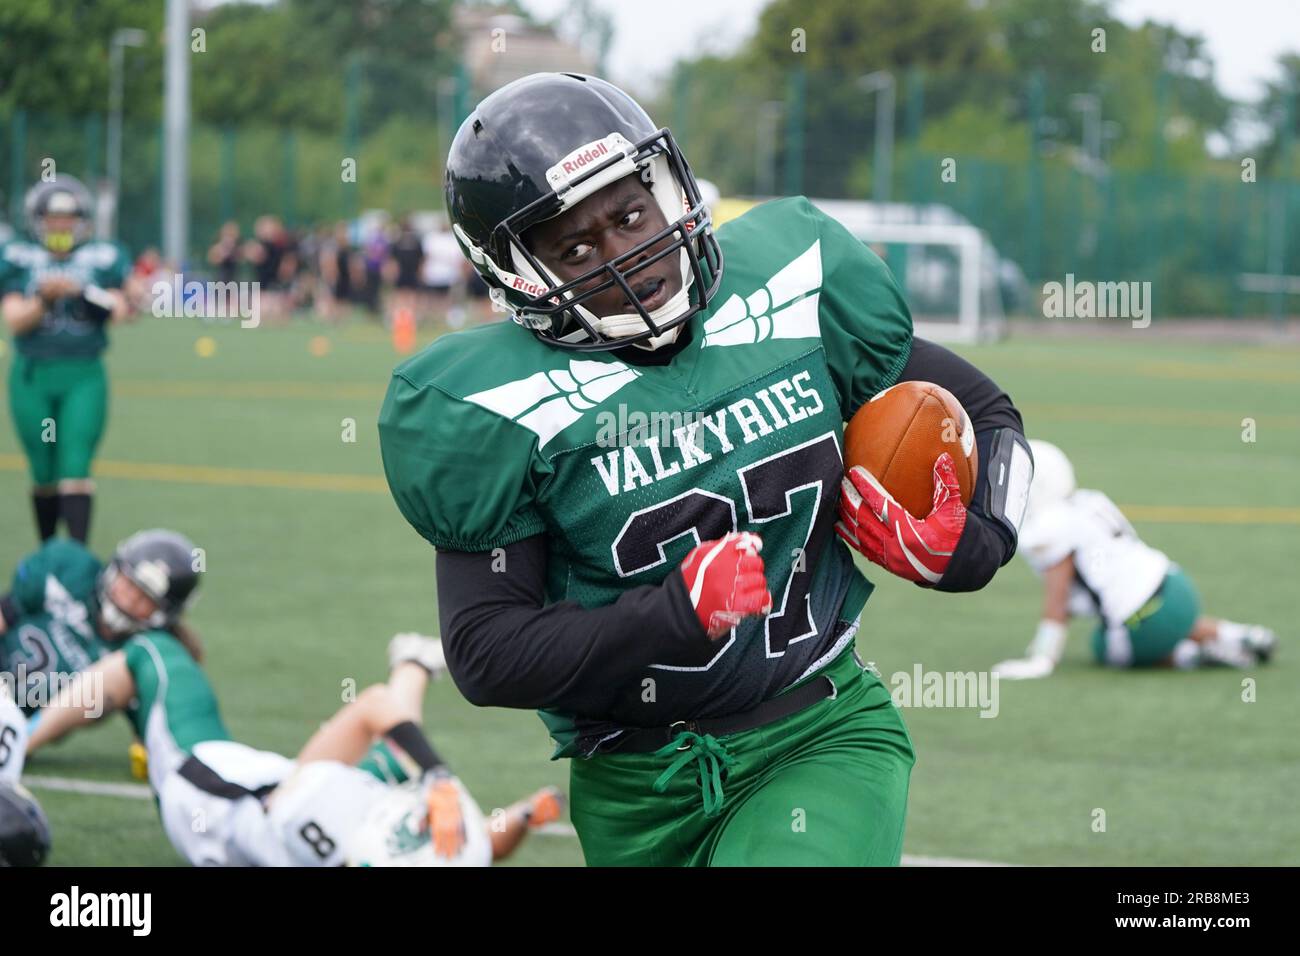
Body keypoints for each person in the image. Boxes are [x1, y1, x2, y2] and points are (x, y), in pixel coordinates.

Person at [378, 73, 1033, 866]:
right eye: (577, 247)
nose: (628, 254)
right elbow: (486, 651)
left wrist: (976, 542)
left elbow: (989, 415)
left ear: (668, 189)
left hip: (817, 732)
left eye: (629, 215)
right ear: (517, 271)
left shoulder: (789, 291)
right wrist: (672, 615)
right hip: (631, 787)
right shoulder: (496, 404)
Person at [17, 629, 563, 867]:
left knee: (153, 651)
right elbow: (478, 849)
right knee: (397, 754)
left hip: (203, 788)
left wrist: (439, 778)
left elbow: (373, 706)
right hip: (270, 807)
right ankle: (415, 660)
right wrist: (521, 817)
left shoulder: (316, 821)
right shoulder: (377, 844)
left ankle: (18, 746)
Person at [992, 440, 1277, 678]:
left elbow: (1058, 600)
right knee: (1155, 617)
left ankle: (1189, 655)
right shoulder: (1089, 499)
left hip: (1142, 616)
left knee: (1106, 646)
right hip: (1176, 588)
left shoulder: (1048, 528)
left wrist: (1042, 657)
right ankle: (1238, 634)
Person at [0, 175, 132, 543]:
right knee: (43, 470)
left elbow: (120, 310)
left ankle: (74, 556)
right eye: (54, 218)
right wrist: (44, 299)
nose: (61, 225)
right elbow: (15, 320)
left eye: (69, 217)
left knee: (75, 465)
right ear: (38, 219)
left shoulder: (101, 256)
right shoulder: (18, 256)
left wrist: (81, 291)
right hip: (33, 377)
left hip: (83, 374)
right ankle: (47, 553)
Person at [0, 530, 204, 717]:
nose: (129, 598)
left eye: (146, 598)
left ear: (163, 614)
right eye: (129, 583)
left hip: (12, 723)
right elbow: (6, 612)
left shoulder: (138, 655)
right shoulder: (72, 570)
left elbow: (157, 724)